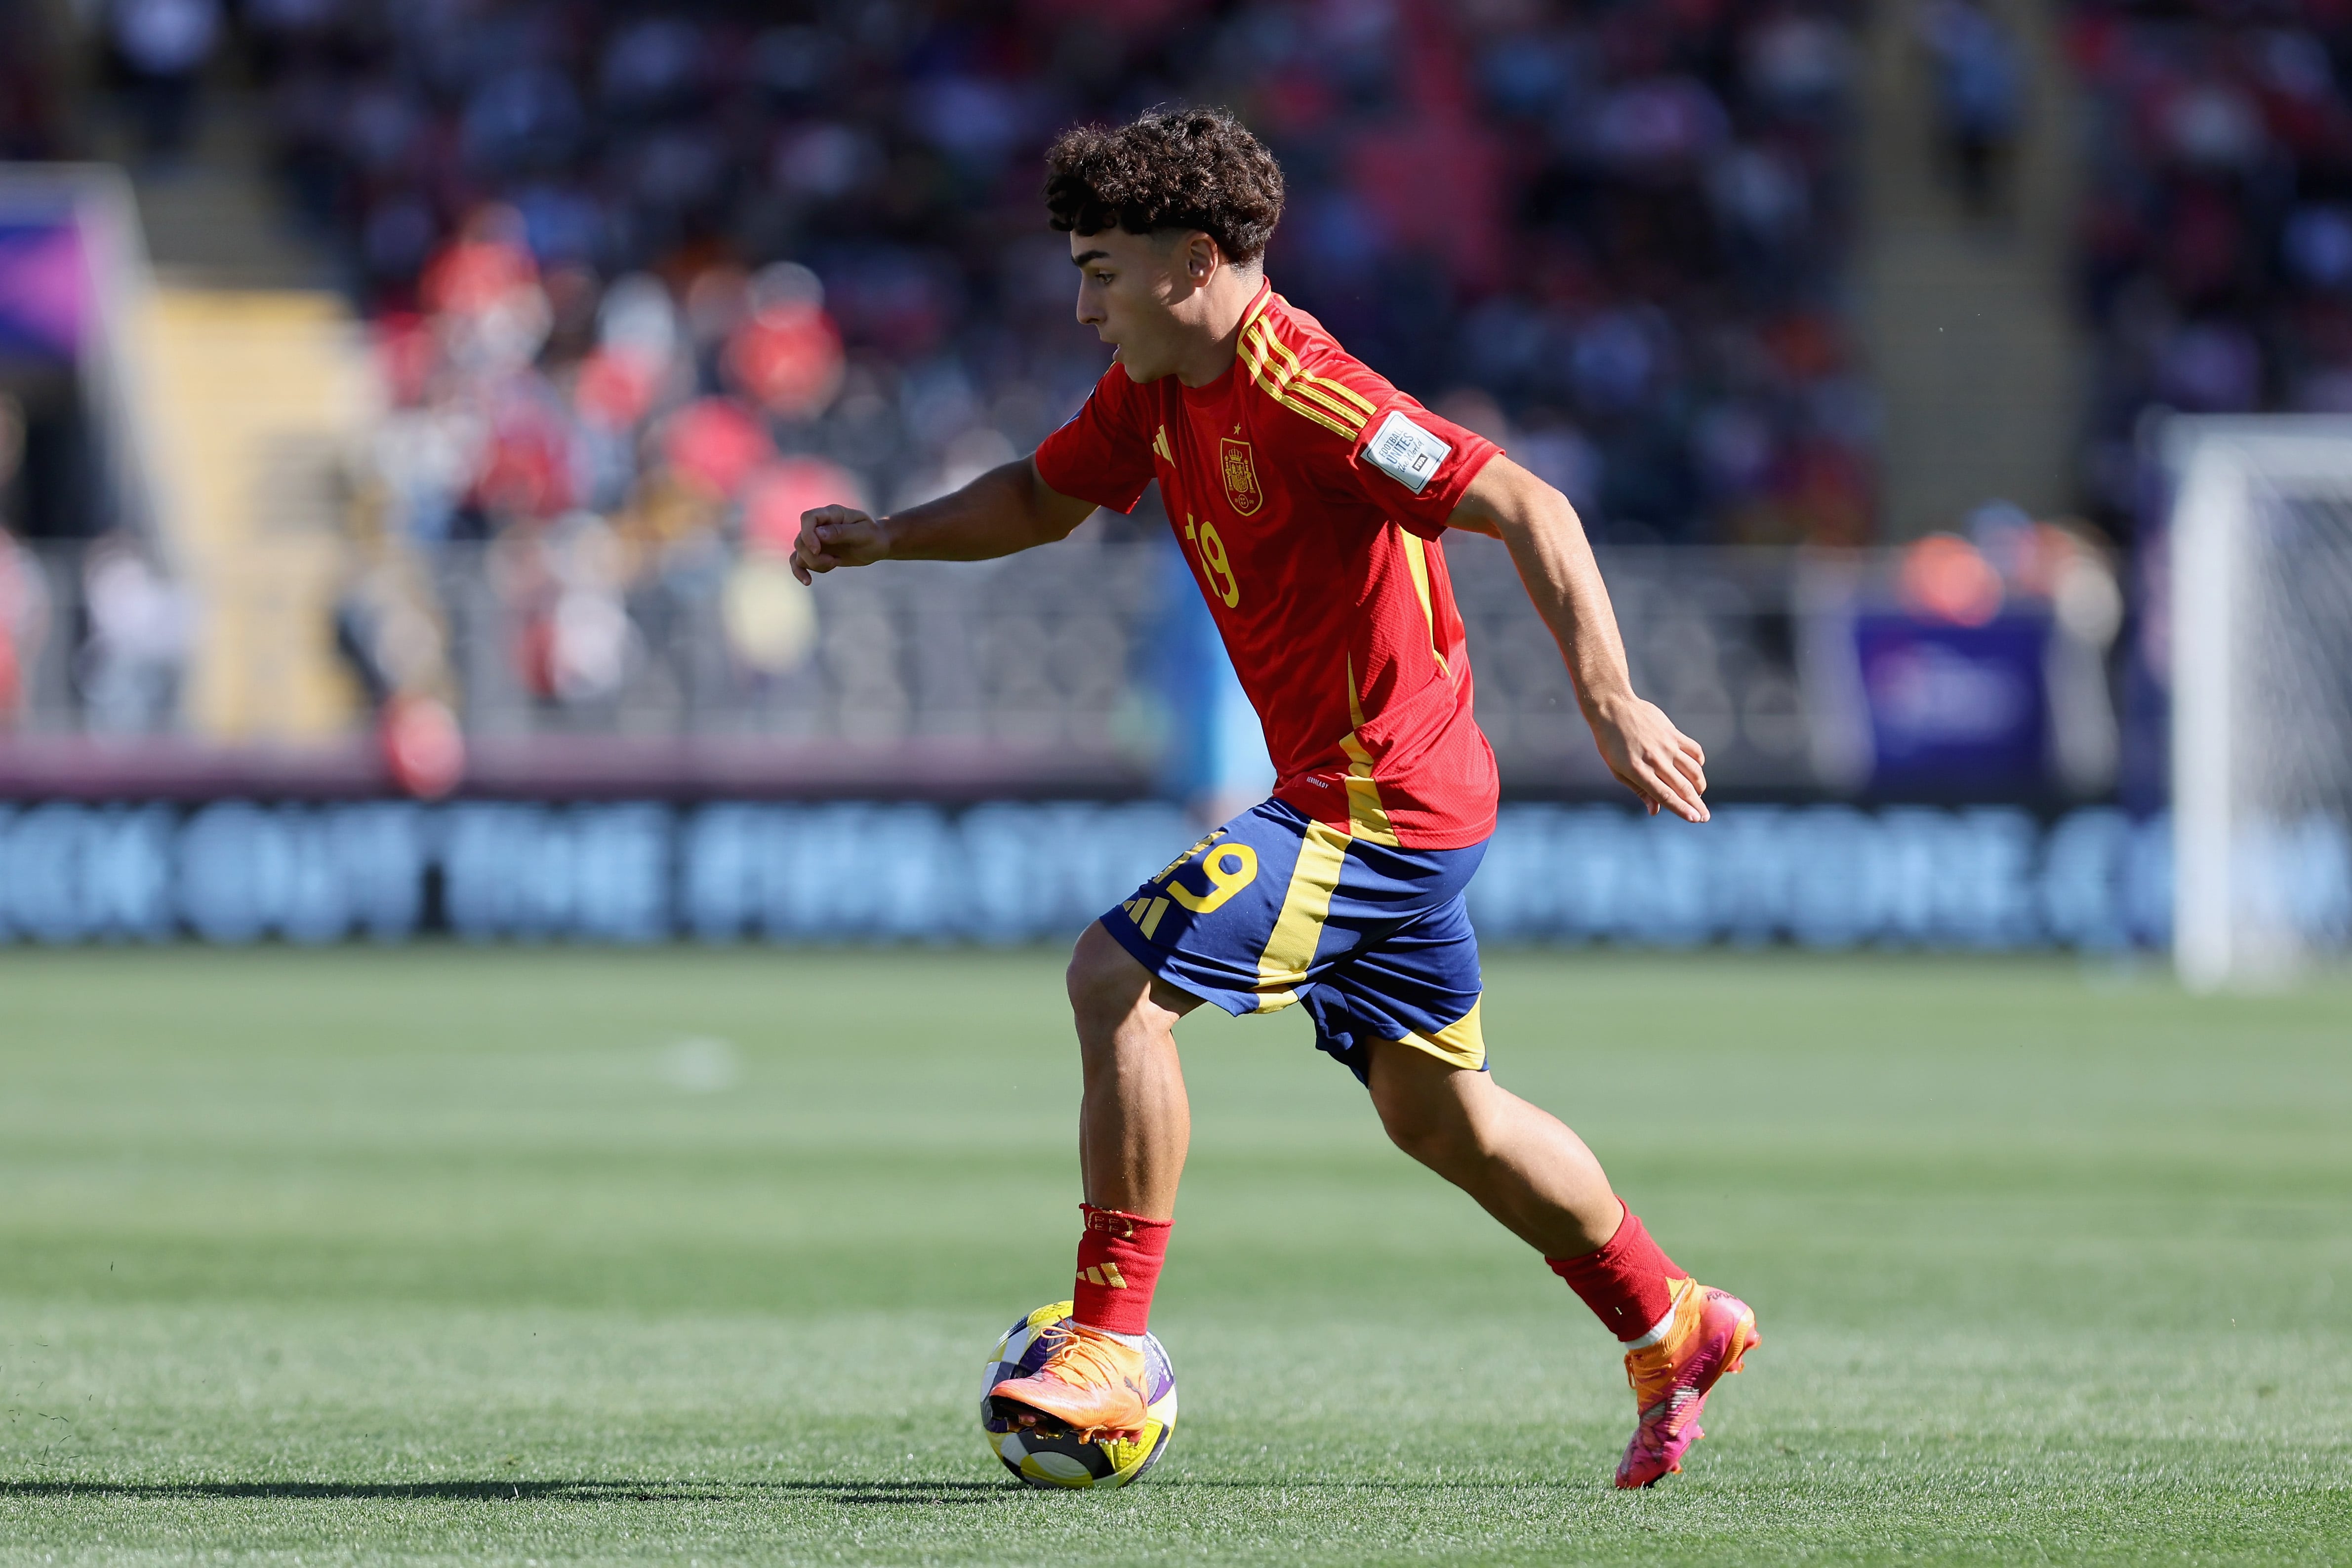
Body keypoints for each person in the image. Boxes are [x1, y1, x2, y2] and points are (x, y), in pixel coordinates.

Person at [791, 108, 1757, 1489]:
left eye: (1101, 271)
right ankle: (1673, 1322)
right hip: (1367, 791)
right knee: (1442, 1117)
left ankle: (1109, 1340)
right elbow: (1037, 496)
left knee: (1115, 979)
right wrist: (890, 537)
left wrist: (1611, 702)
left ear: (1194, 261)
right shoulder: (1158, 388)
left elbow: (1532, 506)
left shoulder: (1311, 395)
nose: (1082, 306)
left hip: (1381, 800)